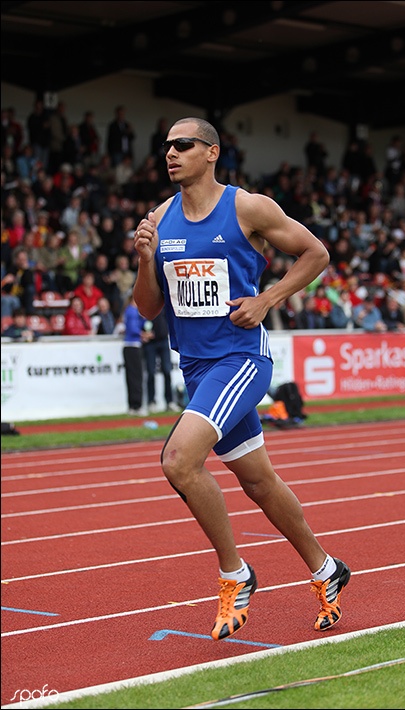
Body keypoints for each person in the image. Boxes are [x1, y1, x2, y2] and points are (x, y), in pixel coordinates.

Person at [132, 116, 351, 642]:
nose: (171, 153)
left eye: (183, 145)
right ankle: (327, 570)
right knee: (258, 482)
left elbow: (315, 253)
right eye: (166, 146)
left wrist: (267, 299)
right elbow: (146, 309)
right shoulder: (159, 219)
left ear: (211, 152)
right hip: (197, 368)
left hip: (241, 361)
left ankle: (236, 573)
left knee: (179, 460)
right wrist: (144, 261)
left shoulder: (246, 207)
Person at [141, 309, 180, 413]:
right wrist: (143, 333)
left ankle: (169, 401)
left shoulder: (164, 304)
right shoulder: (146, 302)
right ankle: (151, 401)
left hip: (163, 340)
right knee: (150, 372)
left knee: (167, 371)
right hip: (150, 343)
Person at [122, 295, 146, 415]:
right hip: (133, 345)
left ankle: (133, 404)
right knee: (136, 376)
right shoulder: (132, 311)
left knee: (132, 376)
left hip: (131, 345)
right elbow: (133, 328)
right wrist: (142, 334)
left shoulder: (130, 311)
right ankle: (137, 405)